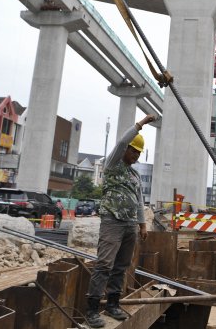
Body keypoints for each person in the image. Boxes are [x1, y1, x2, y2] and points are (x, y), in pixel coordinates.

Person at [85, 114, 157, 328]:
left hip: (129, 225)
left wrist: (142, 224)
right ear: (126, 150)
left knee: (121, 266)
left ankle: (113, 304)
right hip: (112, 221)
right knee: (104, 264)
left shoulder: (134, 176)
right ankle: (92, 309)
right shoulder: (113, 165)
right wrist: (141, 123)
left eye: (138, 153)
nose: (135, 155)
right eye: (133, 150)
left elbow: (138, 201)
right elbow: (122, 141)